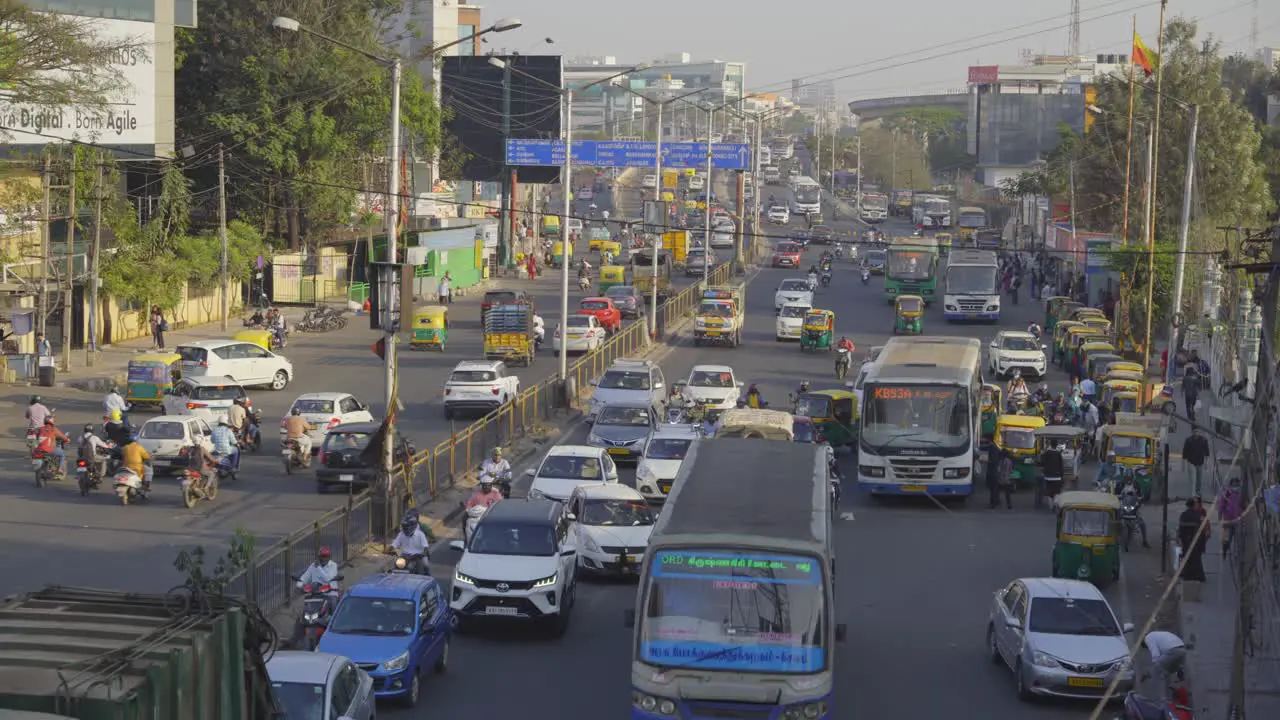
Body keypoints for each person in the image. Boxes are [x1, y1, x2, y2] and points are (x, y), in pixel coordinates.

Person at [1177, 498, 1209, 582]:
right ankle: (1199, 576)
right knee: (1196, 559)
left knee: (1186, 558)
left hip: (1186, 541)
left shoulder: (1183, 515)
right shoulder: (1197, 515)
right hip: (1195, 541)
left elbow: (1181, 529)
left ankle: (1186, 575)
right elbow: (1200, 529)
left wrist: (1181, 539)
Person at [1118, 475, 1151, 548]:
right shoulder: (1120, 484)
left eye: (1130, 478)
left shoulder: (1136, 485)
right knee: (1115, 518)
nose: (1128, 480)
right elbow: (1116, 493)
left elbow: (1140, 495)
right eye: (1127, 478)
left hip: (1133, 506)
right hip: (1123, 505)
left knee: (1141, 522)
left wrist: (1140, 500)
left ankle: (1144, 540)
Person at [1215, 478, 1244, 555]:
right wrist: (1219, 517)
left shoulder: (1239, 495)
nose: (1235, 487)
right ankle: (1225, 547)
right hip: (1227, 519)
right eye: (1234, 485)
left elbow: (1241, 506)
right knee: (1228, 537)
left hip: (1236, 519)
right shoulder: (1226, 494)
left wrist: (1241, 514)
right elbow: (1221, 507)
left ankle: (1234, 549)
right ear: (1230, 485)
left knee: (1235, 536)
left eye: (1237, 485)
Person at [1181, 428, 1210, 496]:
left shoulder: (1204, 440)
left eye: (1197, 431)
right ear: (1192, 432)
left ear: (1200, 432)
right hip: (1191, 462)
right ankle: (1193, 493)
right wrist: (1183, 465)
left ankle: (1198, 490)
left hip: (1200, 462)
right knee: (1193, 479)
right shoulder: (1188, 440)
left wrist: (1206, 464)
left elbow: (1207, 453)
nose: (1196, 433)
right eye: (1195, 431)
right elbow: (1184, 453)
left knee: (1199, 479)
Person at [985, 441, 1013, 510]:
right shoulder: (1010, 461)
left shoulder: (1000, 461)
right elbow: (1011, 470)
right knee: (1007, 494)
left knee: (995, 491)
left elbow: (998, 469)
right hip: (1007, 479)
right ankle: (1009, 505)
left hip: (999, 479)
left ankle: (993, 505)